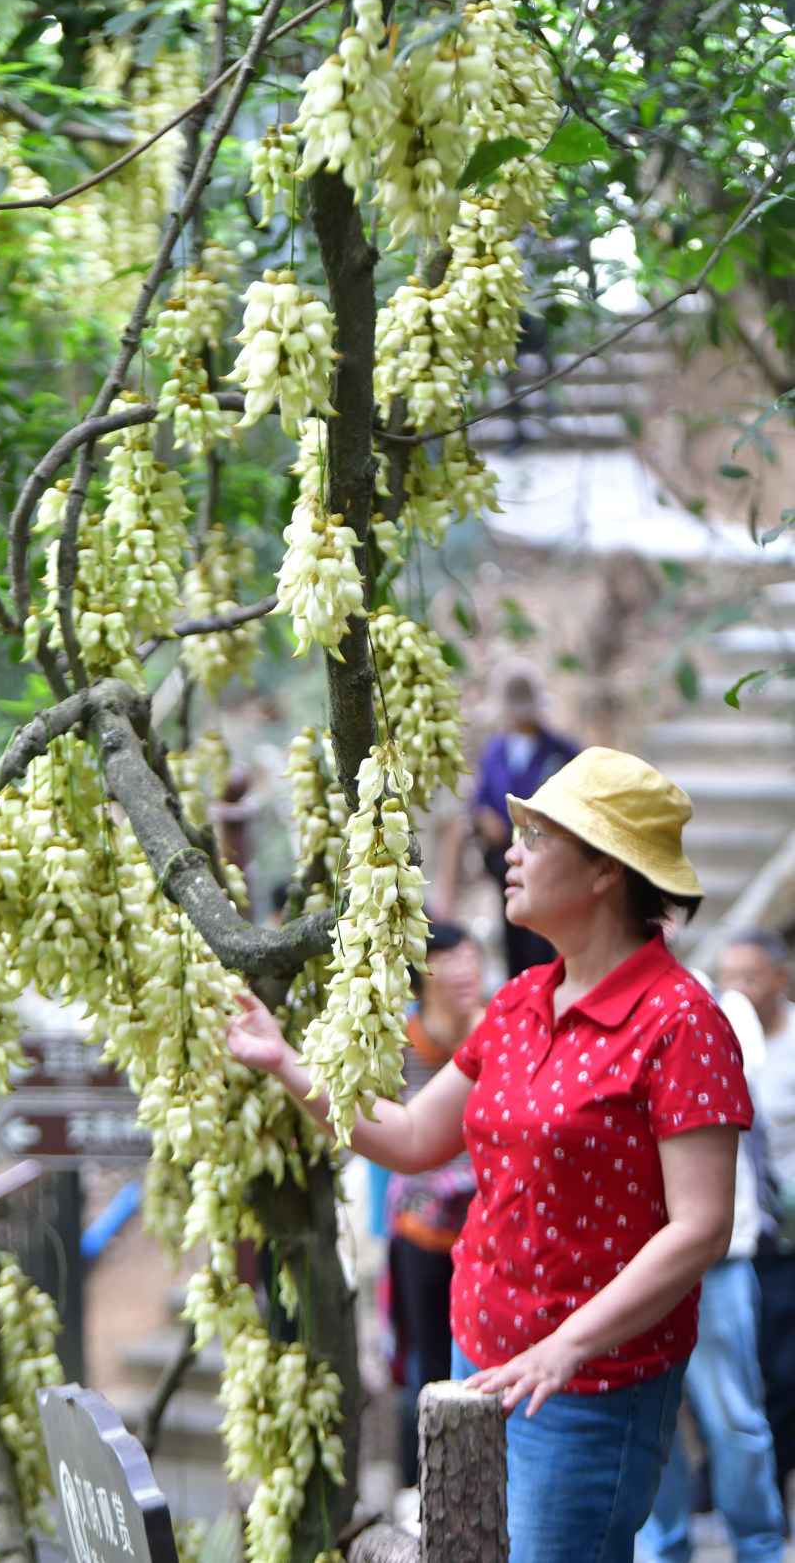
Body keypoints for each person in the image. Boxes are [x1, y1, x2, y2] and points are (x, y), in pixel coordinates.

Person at [227, 747, 752, 1563]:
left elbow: (702, 1226)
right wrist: (285, 1064)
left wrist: (567, 1344)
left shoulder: (681, 1022)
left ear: (607, 871)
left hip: (586, 1386)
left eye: (537, 837)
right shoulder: (519, 1002)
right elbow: (407, 1139)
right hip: (476, 1360)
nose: (509, 852)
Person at [639, 981, 786, 1563]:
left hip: (717, 1265)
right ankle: (664, 1549)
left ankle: (760, 1548)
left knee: (736, 1422)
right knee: (653, 1427)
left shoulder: (713, 1006)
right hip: (638, 1267)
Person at [385, 922, 484, 1483]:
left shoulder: (500, 1027)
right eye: (449, 960)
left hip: (490, 1227)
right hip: (423, 1234)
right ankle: (424, 1487)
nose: (464, 969)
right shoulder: (400, 1042)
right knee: (428, 1365)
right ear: (422, 976)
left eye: (472, 956)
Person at [439, 659, 578, 978]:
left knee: (544, 943)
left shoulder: (562, 752)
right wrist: (483, 817)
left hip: (548, 868)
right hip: (504, 866)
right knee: (515, 939)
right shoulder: (495, 750)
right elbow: (482, 797)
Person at [720, 929, 795, 1511]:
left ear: (781, 976)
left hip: (790, 1234)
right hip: (750, 1236)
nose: (736, 989)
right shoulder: (721, 1035)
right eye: (728, 977)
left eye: (749, 976)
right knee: (759, 1373)